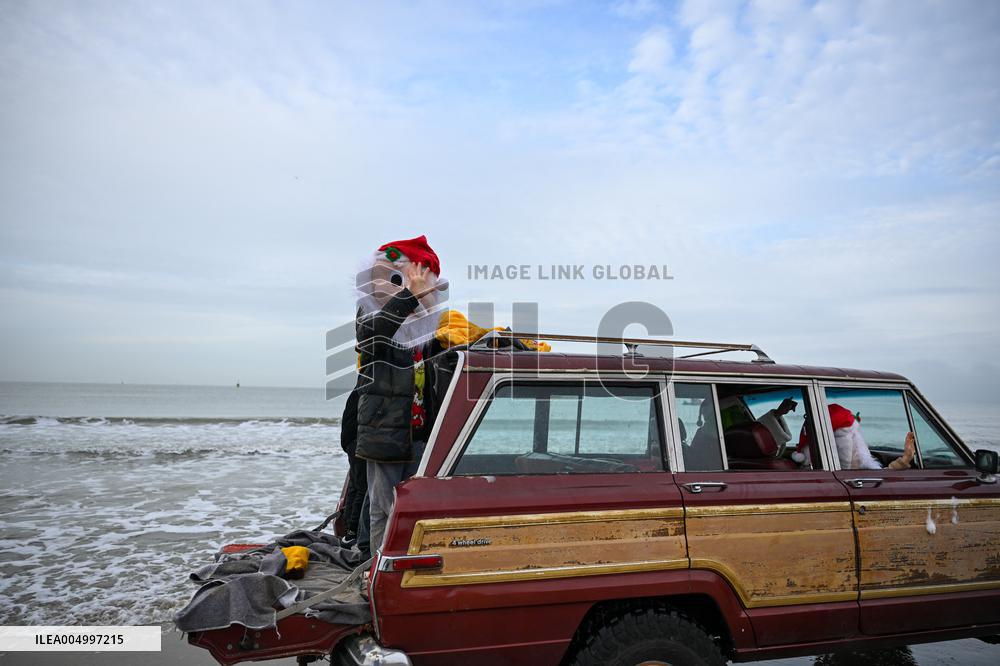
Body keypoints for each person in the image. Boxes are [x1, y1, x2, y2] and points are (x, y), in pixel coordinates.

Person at [352, 235, 447, 557]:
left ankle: (406, 561)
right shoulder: (370, 312)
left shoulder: (429, 326)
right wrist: (408, 294)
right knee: (382, 505)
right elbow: (375, 336)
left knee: (415, 504)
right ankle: (377, 569)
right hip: (384, 426)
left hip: (421, 430)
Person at [793, 403, 916, 470]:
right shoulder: (849, 477)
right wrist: (905, 459)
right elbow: (882, 479)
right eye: (853, 436)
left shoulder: (812, 471)